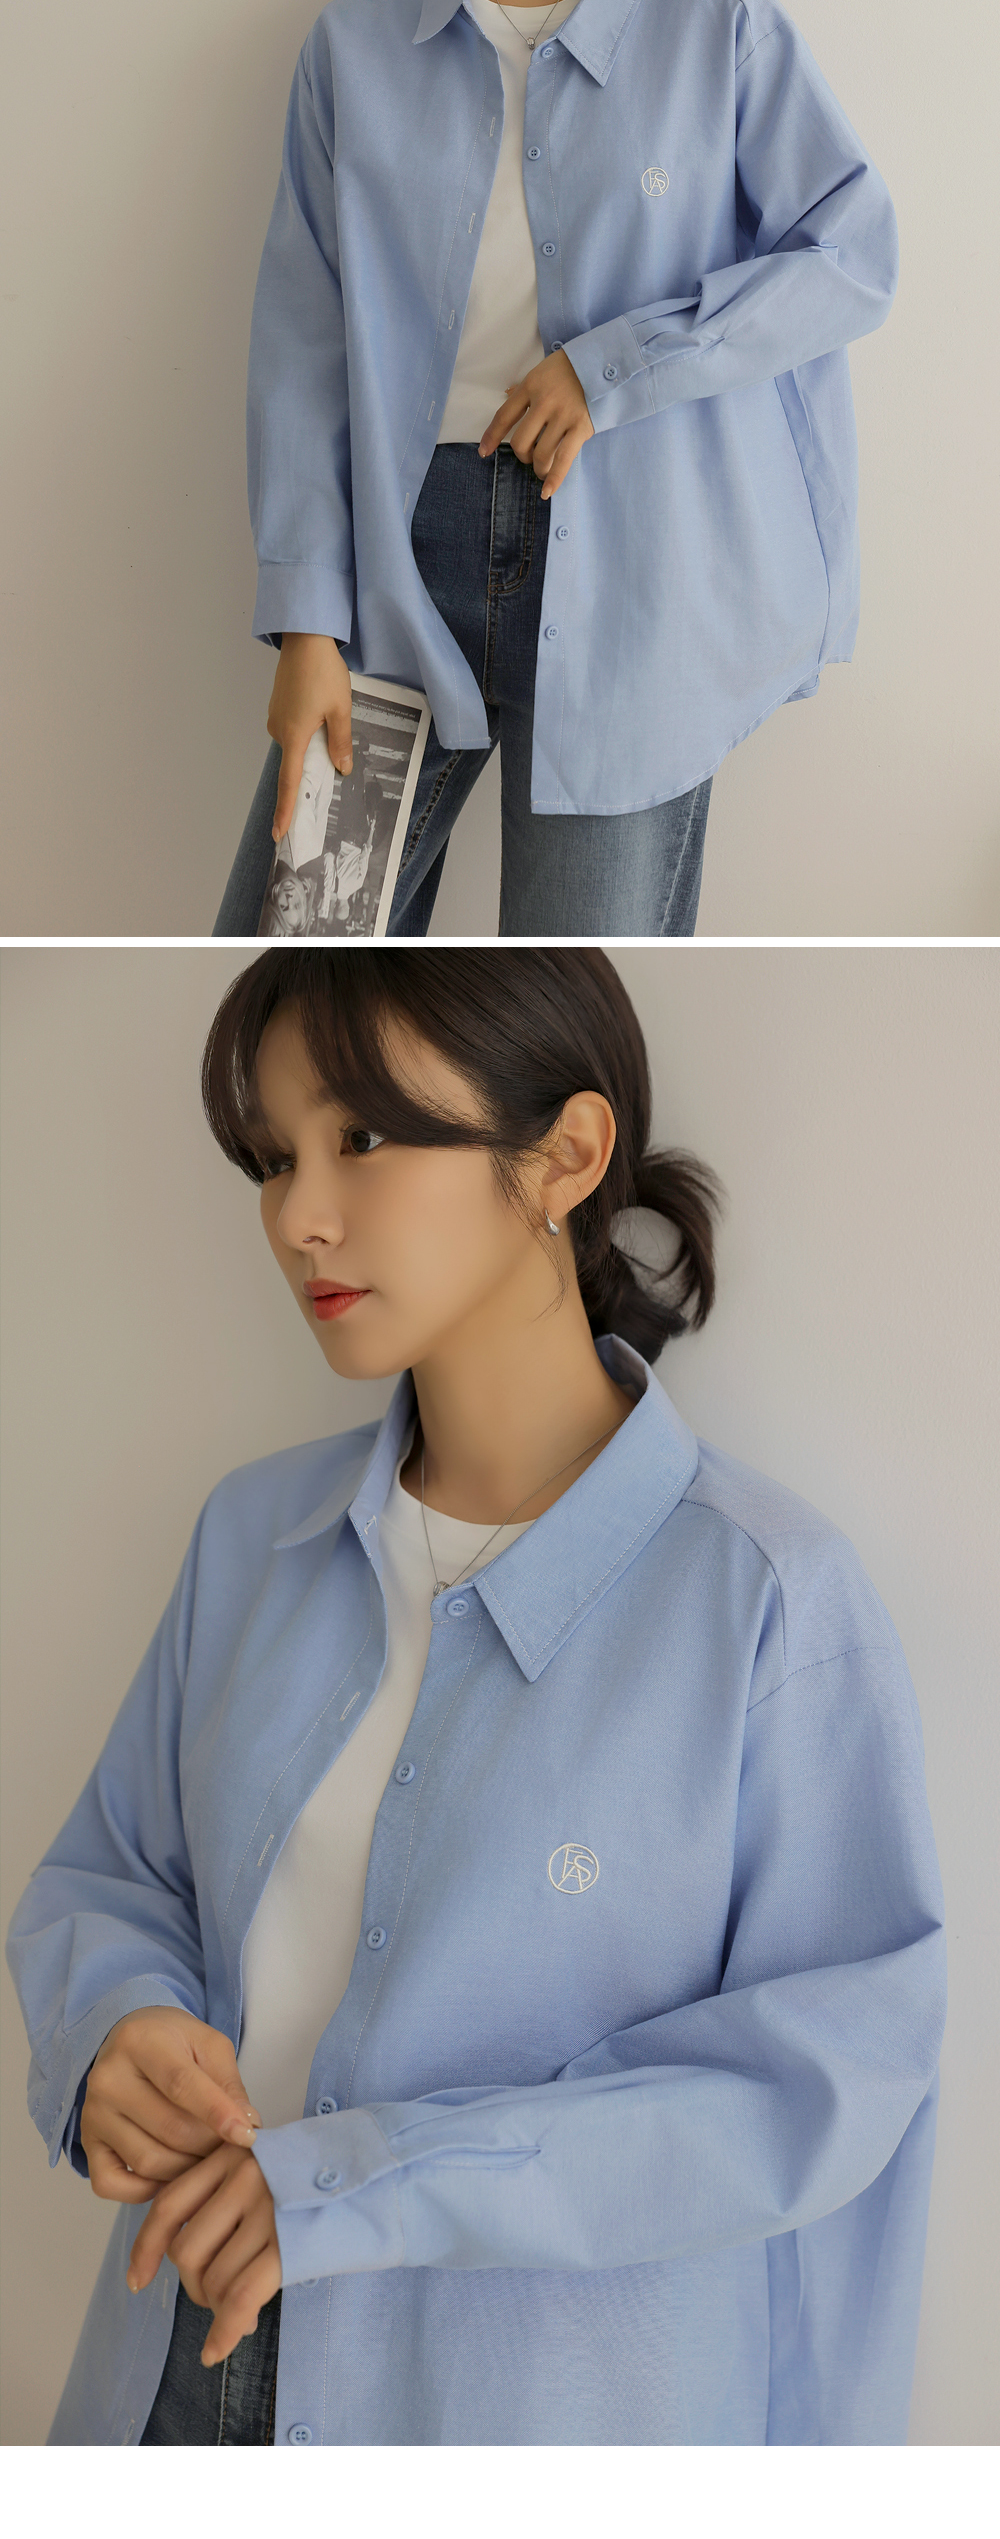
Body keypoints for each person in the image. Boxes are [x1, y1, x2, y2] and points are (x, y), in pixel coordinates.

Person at [7, 946, 945, 2448]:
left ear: (564, 1155)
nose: (297, 1215)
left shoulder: (769, 1602)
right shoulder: (251, 1537)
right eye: (274, 1156)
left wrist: (364, 2183)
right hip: (179, 2370)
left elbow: (819, 2083)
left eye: (363, 1137)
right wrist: (116, 2026)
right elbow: (111, 1876)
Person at [216, 0, 898, 943]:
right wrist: (307, 620)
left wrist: (611, 367)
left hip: (643, 561)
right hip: (401, 567)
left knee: (570, 976)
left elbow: (852, 255)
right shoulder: (353, 52)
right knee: (296, 946)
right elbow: (302, 345)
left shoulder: (719, 25)